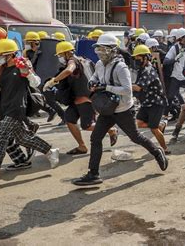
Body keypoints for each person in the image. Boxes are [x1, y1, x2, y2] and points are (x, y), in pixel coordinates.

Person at [72, 34, 168, 186]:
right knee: (95, 138)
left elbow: (127, 90)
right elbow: (95, 77)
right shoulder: (99, 65)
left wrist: (106, 87)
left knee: (135, 137)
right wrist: (92, 83)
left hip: (123, 110)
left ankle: (157, 152)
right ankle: (93, 174)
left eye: (103, 49)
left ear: (113, 50)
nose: (100, 53)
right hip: (107, 110)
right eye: (98, 49)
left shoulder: (120, 67)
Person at [0, 39, 59, 186]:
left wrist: (26, 73)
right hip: (5, 107)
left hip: (17, 107)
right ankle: (50, 151)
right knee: (23, 139)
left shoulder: (23, 64)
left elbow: (36, 82)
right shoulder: (0, 69)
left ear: (10, 54)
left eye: (0, 54)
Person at [43, 41, 118, 155]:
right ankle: (82, 146)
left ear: (67, 53)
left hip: (85, 99)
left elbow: (69, 70)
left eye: (60, 55)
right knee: (69, 119)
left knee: (87, 125)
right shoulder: (83, 60)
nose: (59, 58)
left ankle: (111, 130)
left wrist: (53, 81)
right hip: (77, 99)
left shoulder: (73, 61)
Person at [131, 45, 170, 154]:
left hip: (156, 103)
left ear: (146, 57)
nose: (136, 61)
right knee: (137, 123)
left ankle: (165, 149)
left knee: (153, 129)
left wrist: (124, 85)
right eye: (135, 58)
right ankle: (161, 124)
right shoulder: (142, 69)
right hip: (147, 102)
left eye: (138, 58)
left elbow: (138, 87)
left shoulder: (148, 70)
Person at [23, 31, 61, 124]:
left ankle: (58, 114)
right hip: (33, 78)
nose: (27, 44)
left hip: (42, 78)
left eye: (29, 42)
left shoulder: (43, 52)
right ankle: (50, 111)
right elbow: (29, 63)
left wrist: (37, 52)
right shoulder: (27, 52)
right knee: (36, 97)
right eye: (27, 42)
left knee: (44, 98)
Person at [163, 28, 185, 122]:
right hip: (176, 76)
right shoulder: (174, 48)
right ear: (180, 38)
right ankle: (165, 117)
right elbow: (166, 61)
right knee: (170, 97)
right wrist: (174, 59)